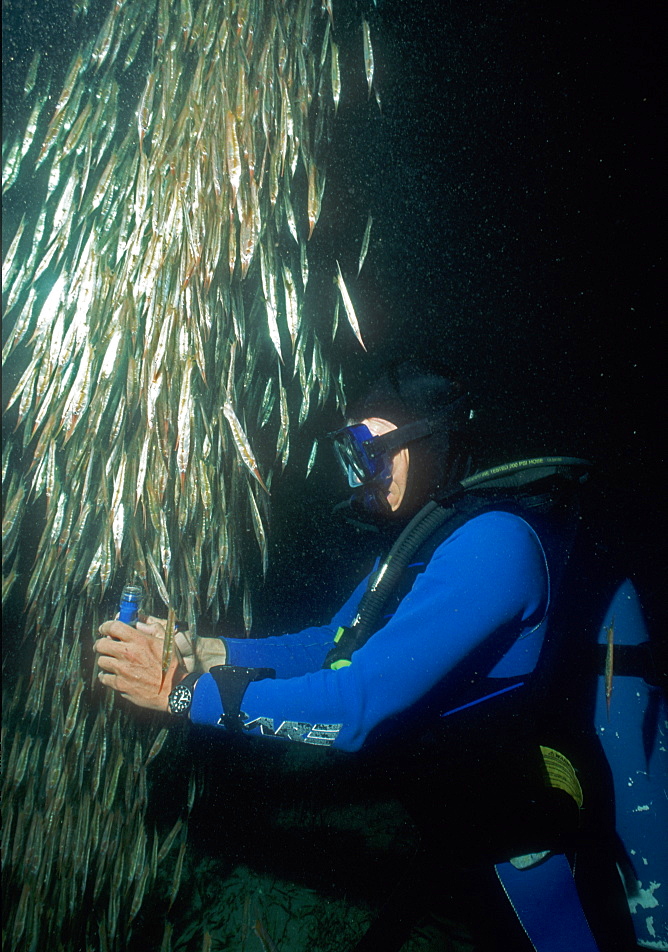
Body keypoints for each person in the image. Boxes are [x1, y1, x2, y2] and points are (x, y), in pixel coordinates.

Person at [95, 360, 651, 951]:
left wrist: (180, 692)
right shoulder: (424, 543)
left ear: (430, 441)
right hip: (468, 832)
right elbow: (333, 645)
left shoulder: (494, 545)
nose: (362, 473)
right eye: (352, 452)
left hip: (532, 852)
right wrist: (207, 651)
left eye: (372, 448)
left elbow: (355, 707)